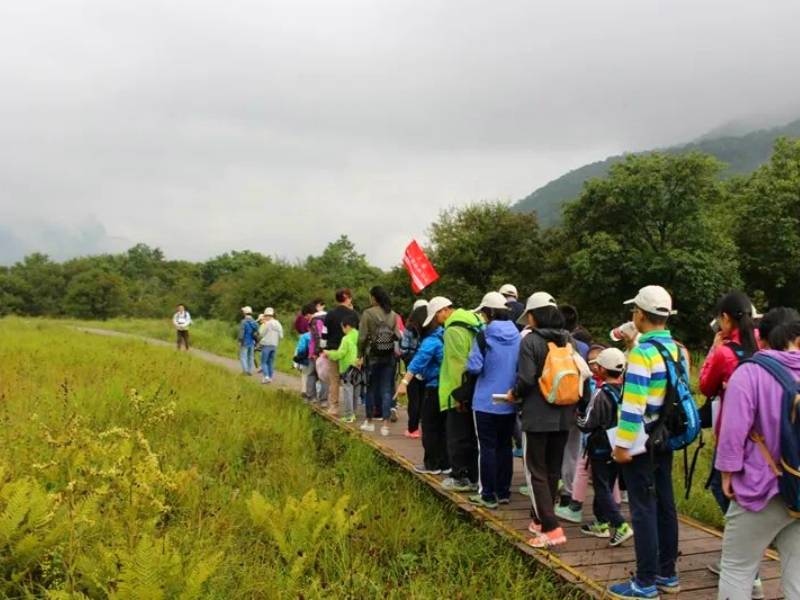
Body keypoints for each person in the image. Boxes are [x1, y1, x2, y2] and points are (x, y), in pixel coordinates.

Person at [716, 308, 800, 600]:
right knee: (798, 572)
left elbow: (732, 432)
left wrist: (726, 473)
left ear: (761, 340)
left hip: (763, 487)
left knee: (738, 567)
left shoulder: (750, 372)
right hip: (799, 487)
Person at [608, 285, 681, 599]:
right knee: (665, 504)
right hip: (665, 438)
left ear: (640, 314)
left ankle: (645, 582)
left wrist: (622, 446)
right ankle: (668, 573)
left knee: (642, 509)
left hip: (642, 443)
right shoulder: (674, 348)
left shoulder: (642, 353)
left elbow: (633, 406)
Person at [510, 291, 588, 549]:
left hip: (537, 414)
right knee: (552, 469)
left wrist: (515, 394)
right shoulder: (569, 341)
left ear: (534, 315)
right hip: (565, 414)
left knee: (535, 472)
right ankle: (540, 518)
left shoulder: (530, 341)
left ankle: (551, 528)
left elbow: (526, 379)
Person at [699, 291, 763, 596]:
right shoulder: (764, 342)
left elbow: (705, 386)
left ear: (725, 318)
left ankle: (747, 567)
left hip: (733, 431)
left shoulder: (726, 351)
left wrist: (714, 349)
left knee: (722, 488)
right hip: (765, 435)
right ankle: (751, 566)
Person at [466, 292, 521, 509]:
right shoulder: (517, 335)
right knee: (505, 446)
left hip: (485, 401)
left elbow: (474, 367)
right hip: (509, 399)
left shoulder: (483, 335)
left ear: (488, 312)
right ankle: (503, 491)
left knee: (486, 447)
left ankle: (487, 494)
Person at [577, 347, 634, 547]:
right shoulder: (627, 390)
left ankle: (620, 525)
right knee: (609, 483)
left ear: (601, 370)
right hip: (620, 445)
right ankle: (601, 522)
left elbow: (587, 423)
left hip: (600, 446)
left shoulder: (601, 393)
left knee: (601, 487)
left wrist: (576, 417)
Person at [432, 296, 483, 492]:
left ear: (444, 310)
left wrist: (459, 395)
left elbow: (457, 365)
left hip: (458, 392)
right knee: (471, 436)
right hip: (475, 388)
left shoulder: (452, 330)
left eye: (437, 315)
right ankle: (473, 476)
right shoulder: (474, 323)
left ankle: (460, 477)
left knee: (457, 436)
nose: (437, 320)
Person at [395, 307, 448, 474]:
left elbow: (418, 361)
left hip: (434, 386)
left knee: (430, 426)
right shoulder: (444, 334)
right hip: (447, 386)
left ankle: (432, 464)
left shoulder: (431, 340)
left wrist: (404, 381)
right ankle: (445, 463)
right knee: (443, 427)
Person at [357, 286, 401, 436]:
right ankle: (385, 425)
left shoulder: (367, 313)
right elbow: (397, 336)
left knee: (370, 388)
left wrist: (359, 354)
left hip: (372, 356)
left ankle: (369, 422)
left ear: (374, 298)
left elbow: (362, 337)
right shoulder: (393, 315)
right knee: (387, 389)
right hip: (389, 356)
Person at [324, 289, 359, 416]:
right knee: (349, 381)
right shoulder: (354, 314)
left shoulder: (330, 314)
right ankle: (351, 408)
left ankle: (334, 406)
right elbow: (358, 335)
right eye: (350, 297)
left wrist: (323, 350)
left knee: (334, 380)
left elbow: (324, 334)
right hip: (350, 352)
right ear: (347, 298)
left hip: (333, 350)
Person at [399, 300, 429, 438]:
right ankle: (426, 426)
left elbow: (403, 349)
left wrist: (410, 362)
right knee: (424, 398)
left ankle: (413, 429)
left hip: (412, 368)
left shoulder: (409, 328)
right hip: (427, 368)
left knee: (414, 399)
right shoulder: (431, 328)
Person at [307, 304, 329, 403]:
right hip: (328, 351)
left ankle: (312, 397)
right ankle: (324, 400)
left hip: (318, 352)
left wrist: (314, 352)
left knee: (312, 374)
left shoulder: (316, 321)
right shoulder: (329, 317)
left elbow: (316, 338)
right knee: (324, 375)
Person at [258, 308, 284, 384]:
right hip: (274, 345)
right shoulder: (278, 324)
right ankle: (270, 377)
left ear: (268, 316)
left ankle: (266, 377)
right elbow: (281, 336)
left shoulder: (267, 323)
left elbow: (261, 334)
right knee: (270, 362)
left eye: (265, 316)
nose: (265, 318)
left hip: (266, 345)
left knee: (263, 362)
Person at [237, 306, 259, 375]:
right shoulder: (254, 322)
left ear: (245, 313)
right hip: (252, 342)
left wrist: (240, 341)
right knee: (251, 357)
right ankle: (249, 371)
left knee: (243, 356)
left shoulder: (243, 322)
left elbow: (241, 333)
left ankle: (245, 371)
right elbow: (257, 332)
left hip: (245, 342)